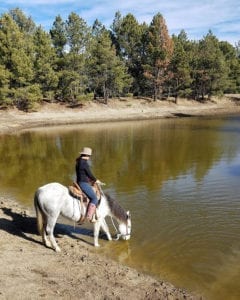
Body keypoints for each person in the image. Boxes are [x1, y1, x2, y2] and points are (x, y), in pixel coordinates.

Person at [75, 147, 101, 222]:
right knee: (94, 198)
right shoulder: (84, 163)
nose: (89, 157)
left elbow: (82, 173)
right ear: (87, 155)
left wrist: (91, 180)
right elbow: (89, 173)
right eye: (89, 156)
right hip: (83, 183)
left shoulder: (78, 161)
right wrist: (96, 180)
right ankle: (89, 216)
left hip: (79, 181)